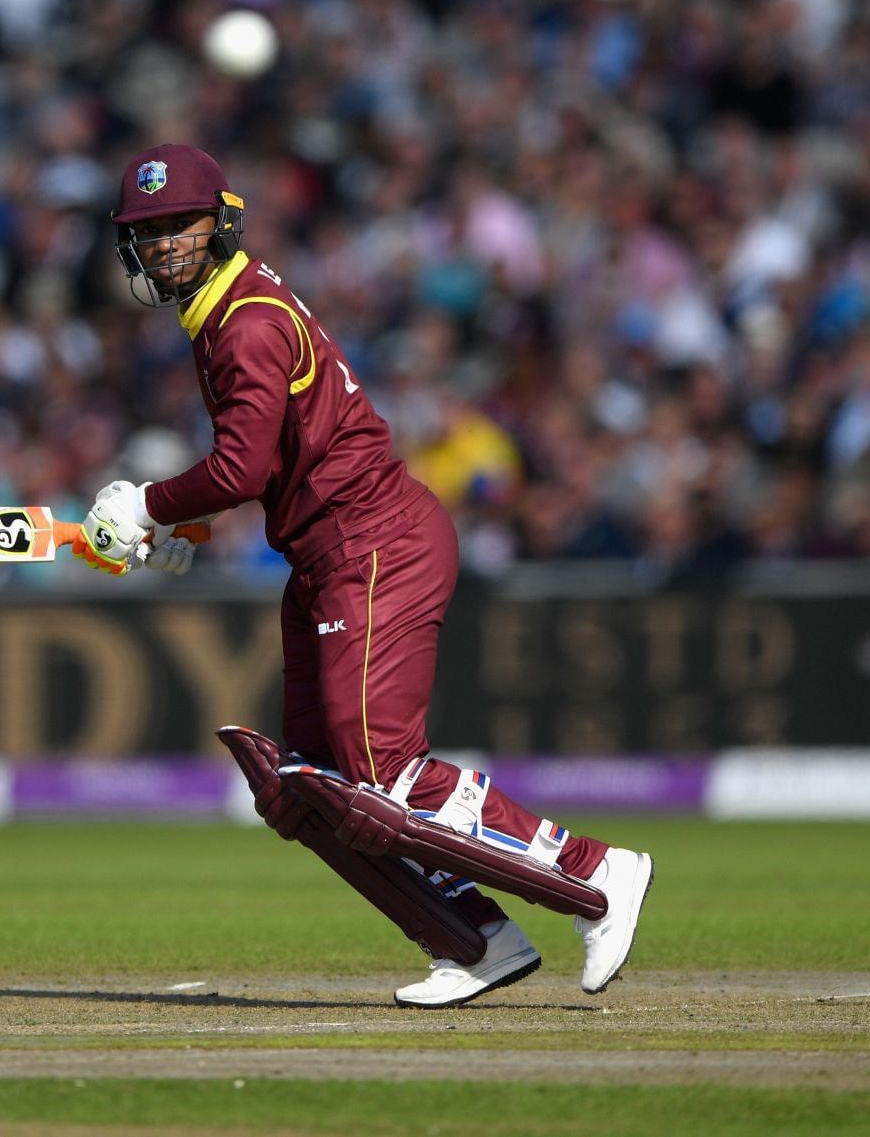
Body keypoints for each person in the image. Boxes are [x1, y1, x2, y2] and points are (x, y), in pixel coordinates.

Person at [78, 144, 654, 1007]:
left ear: (221, 219)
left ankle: (598, 868)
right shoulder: (221, 307)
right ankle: (473, 937)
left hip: (374, 544)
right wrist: (181, 526)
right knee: (307, 790)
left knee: (380, 770)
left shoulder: (246, 321)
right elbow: (272, 463)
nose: (161, 245)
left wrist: (150, 506)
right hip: (325, 554)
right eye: (146, 232)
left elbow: (237, 469)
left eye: (176, 225)